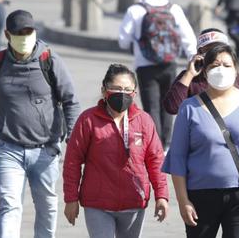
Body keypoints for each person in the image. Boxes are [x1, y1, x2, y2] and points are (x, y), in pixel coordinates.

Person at [0, 10, 81, 238]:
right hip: (9, 149)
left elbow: (70, 101)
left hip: (46, 150)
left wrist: (74, 141)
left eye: (29, 31)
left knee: (47, 206)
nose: (25, 36)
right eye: (19, 33)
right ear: (7, 35)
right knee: (9, 206)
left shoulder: (50, 60)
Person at [162, 44, 239, 238]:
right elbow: (178, 158)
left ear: (236, 71)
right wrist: (183, 200)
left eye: (226, 65)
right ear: (205, 72)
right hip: (200, 196)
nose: (221, 70)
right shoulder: (189, 107)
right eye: (215, 65)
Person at [63, 63, 169, 237]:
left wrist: (162, 196)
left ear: (134, 93)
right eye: (116, 88)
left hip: (134, 201)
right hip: (98, 204)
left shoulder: (144, 121)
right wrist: (71, 199)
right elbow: (72, 162)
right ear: (104, 90)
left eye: (128, 90)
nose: (122, 94)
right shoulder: (88, 120)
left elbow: (156, 161)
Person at [118, 0, 197, 150]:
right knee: (168, 105)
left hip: (145, 64)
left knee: (151, 106)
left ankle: (155, 145)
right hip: (170, 63)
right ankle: (167, 144)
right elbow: (187, 37)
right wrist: (192, 57)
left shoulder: (135, 10)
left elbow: (123, 40)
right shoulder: (174, 8)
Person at [163, 28, 239, 115]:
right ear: (199, 53)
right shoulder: (191, 77)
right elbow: (172, 108)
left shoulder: (237, 78)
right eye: (209, 50)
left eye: (219, 49)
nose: (215, 54)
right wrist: (189, 74)